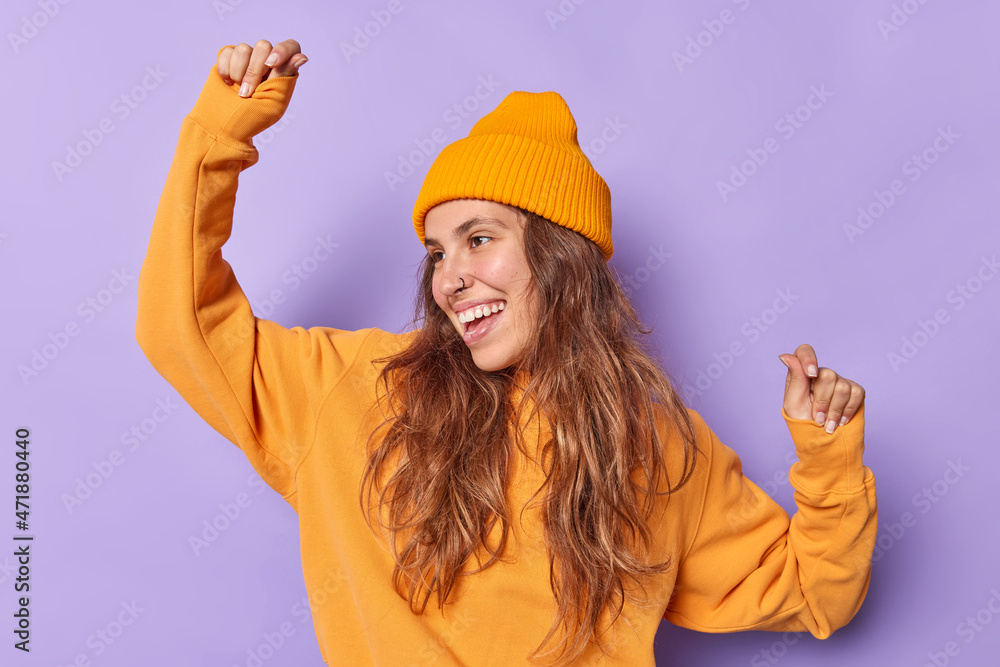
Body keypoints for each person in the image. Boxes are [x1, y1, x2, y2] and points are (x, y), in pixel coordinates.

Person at [136, 38, 877, 667]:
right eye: (436, 251)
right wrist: (218, 137)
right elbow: (181, 324)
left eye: (480, 239)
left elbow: (816, 591)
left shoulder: (660, 447)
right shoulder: (354, 386)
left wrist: (828, 458)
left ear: (559, 258)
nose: (450, 275)